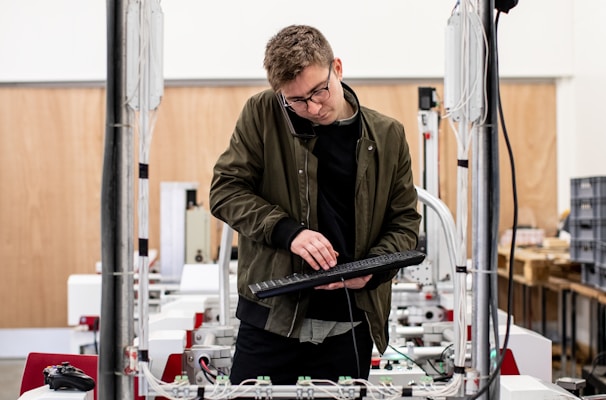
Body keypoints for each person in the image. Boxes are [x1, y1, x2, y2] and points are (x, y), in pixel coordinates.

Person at [209, 24, 421, 385]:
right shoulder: (263, 113)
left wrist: (373, 270)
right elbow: (225, 191)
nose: (311, 107)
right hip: (270, 321)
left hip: (349, 326)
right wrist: (288, 233)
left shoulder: (387, 135)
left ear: (337, 68)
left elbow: (404, 223)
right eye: (295, 100)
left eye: (318, 91)